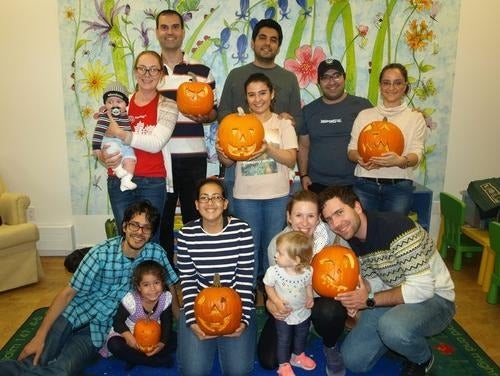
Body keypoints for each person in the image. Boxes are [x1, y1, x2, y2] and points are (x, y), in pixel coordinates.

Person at [0, 201, 179, 375]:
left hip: (99, 328)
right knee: (36, 358)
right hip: (74, 314)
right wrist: (40, 336)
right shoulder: (100, 253)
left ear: (151, 233)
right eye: (134, 225)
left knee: (63, 370)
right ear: (124, 226)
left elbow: (170, 284)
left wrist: (178, 320)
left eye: (146, 228)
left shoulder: (156, 253)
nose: (139, 232)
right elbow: (68, 293)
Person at [319, 186, 455, 375]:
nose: (336, 224)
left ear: (357, 207)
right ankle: (397, 340)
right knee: (353, 360)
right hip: (395, 296)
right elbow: (377, 280)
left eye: (340, 212)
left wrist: (369, 301)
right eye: (329, 219)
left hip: (435, 299)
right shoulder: (354, 239)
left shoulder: (397, 228)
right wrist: (361, 292)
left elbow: (423, 289)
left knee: (392, 328)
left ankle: (423, 358)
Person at [217, 72, 298, 282]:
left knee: (273, 247)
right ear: (246, 98)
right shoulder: (236, 123)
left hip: (277, 196)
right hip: (245, 197)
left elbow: (291, 159)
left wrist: (267, 150)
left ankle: (272, 289)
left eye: (262, 93)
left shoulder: (283, 124)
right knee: (248, 247)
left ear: (272, 94)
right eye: (251, 95)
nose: (258, 99)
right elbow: (228, 163)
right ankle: (249, 289)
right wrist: (221, 152)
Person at [259, 190, 349, 376]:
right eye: (298, 215)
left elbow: (350, 267)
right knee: (269, 360)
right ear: (288, 217)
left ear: (319, 219)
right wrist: (271, 303)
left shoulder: (333, 238)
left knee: (329, 313)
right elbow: (271, 282)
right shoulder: (277, 245)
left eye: (311, 216)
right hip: (290, 306)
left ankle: (330, 346)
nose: (305, 222)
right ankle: (302, 334)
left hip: (321, 302)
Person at [217, 18, 302, 213]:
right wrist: (237, 130)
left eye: (273, 40)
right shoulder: (236, 74)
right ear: (253, 42)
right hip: (238, 165)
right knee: (242, 223)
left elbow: (298, 118)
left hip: (276, 173)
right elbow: (222, 112)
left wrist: (290, 121)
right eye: (262, 37)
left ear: (279, 46)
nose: (267, 43)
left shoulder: (289, 78)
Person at [155, 9, 218, 266]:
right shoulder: (150, 71)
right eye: (164, 27)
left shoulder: (201, 71)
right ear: (158, 32)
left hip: (193, 156)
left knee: (194, 216)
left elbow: (214, 111)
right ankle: (165, 274)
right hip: (161, 158)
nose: (170, 32)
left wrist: (207, 116)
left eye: (175, 27)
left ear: (182, 31)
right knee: (163, 217)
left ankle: (197, 269)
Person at [176, 177, 256, 375]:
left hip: (235, 305)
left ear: (225, 203)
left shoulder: (242, 230)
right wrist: (192, 320)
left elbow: (246, 280)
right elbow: (187, 280)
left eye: (216, 197)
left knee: (238, 371)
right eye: (204, 198)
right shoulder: (186, 234)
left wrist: (243, 319)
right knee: (193, 371)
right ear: (196, 204)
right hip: (199, 305)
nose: (210, 203)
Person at [99, 50, 179, 244]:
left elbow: (156, 143)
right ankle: (129, 276)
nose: (147, 74)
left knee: (150, 239)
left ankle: (150, 275)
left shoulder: (169, 106)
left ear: (161, 75)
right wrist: (102, 156)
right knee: (125, 238)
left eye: (153, 70)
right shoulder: (120, 102)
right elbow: (103, 134)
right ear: (135, 72)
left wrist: (121, 134)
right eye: (142, 69)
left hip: (153, 182)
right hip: (118, 181)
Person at [347, 62, 426, 215]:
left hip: (399, 188)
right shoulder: (364, 115)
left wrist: (400, 161)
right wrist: (360, 159)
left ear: (405, 86)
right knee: (364, 234)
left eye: (397, 83)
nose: (391, 88)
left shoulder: (415, 118)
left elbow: (417, 155)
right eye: (386, 83)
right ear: (380, 86)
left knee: (393, 234)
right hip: (365, 185)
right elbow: (351, 150)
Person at [298, 59, 372, 194]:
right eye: (325, 77)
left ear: (344, 77)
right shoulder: (308, 110)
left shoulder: (362, 106)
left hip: (356, 183)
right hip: (317, 183)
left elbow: (381, 131)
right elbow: (303, 146)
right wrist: (303, 175)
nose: (331, 82)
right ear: (318, 82)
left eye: (336, 76)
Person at [100, 260, 176, 369]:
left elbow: (167, 322)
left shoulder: (166, 298)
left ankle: (134, 358)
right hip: (128, 335)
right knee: (114, 345)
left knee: (175, 339)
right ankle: (153, 361)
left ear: (162, 283)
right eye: (146, 285)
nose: (153, 289)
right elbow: (117, 322)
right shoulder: (131, 300)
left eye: (156, 283)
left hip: (153, 335)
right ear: (139, 287)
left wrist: (162, 343)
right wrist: (130, 338)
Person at [264, 231, 316, 376]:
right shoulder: (274, 272)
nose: (275, 255)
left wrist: (310, 297)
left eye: (280, 253)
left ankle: (298, 356)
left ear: (296, 260)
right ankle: (283, 365)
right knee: (284, 338)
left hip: (302, 311)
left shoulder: (307, 271)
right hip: (283, 312)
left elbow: (308, 285)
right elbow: (268, 286)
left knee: (302, 334)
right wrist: (276, 301)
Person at [92, 81, 137, 192]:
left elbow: (127, 132)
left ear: (125, 104)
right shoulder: (105, 116)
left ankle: (126, 181)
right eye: (110, 102)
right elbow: (98, 132)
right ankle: (118, 170)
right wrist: (96, 148)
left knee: (131, 160)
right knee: (113, 153)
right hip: (110, 142)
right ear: (105, 105)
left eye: (119, 101)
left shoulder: (125, 115)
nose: (114, 105)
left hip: (125, 144)